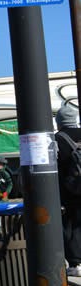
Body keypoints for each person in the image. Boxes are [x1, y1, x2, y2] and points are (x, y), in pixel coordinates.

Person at [55, 103, 81, 277]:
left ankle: (75, 263)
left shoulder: (57, 139)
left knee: (70, 227)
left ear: (59, 122)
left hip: (69, 191)